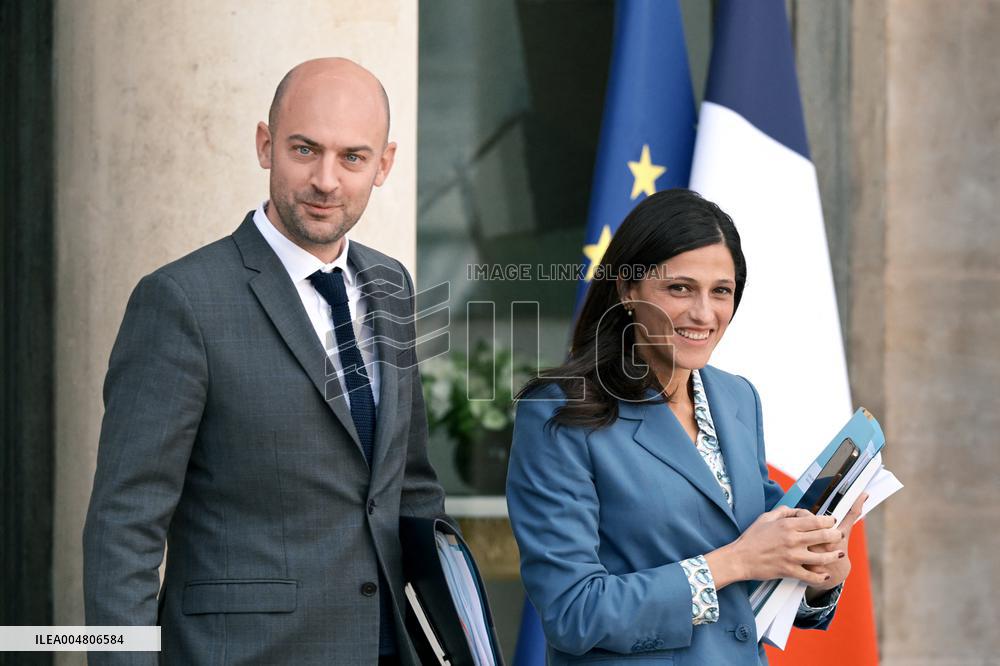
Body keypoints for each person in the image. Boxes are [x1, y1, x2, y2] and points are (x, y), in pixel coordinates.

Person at [83, 58, 446, 665]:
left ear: (383, 165)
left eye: (352, 157)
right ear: (265, 144)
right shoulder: (181, 300)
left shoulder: (392, 285)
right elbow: (124, 525)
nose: (326, 180)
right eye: (305, 149)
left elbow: (410, 488)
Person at [506, 189, 867, 664]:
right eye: (680, 288)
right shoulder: (558, 412)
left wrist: (820, 564)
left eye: (721, 291)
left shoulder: (737, 398)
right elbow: (574, 612)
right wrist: (735, 560)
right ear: (627, 290)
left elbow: (758, 582)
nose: (704, 313)